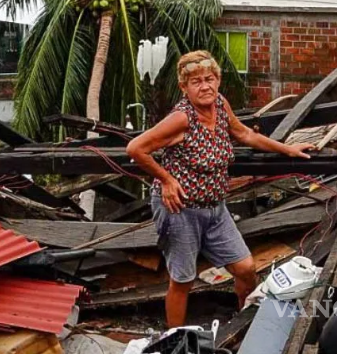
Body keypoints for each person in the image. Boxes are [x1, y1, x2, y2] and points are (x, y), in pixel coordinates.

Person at [125, 50, 314, 327]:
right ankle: (175, 338)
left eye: (210, 79)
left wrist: (287, 149)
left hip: (215, 209)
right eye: (196, 81)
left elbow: (244, 134)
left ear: (218, 80)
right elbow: (135, 148)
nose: (205, 86)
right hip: (181, 210)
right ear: (184, 87)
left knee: (245, 268)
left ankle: (244, 322)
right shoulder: (182, 118)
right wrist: (166, 180)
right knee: (182, 279)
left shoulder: (220, 105)